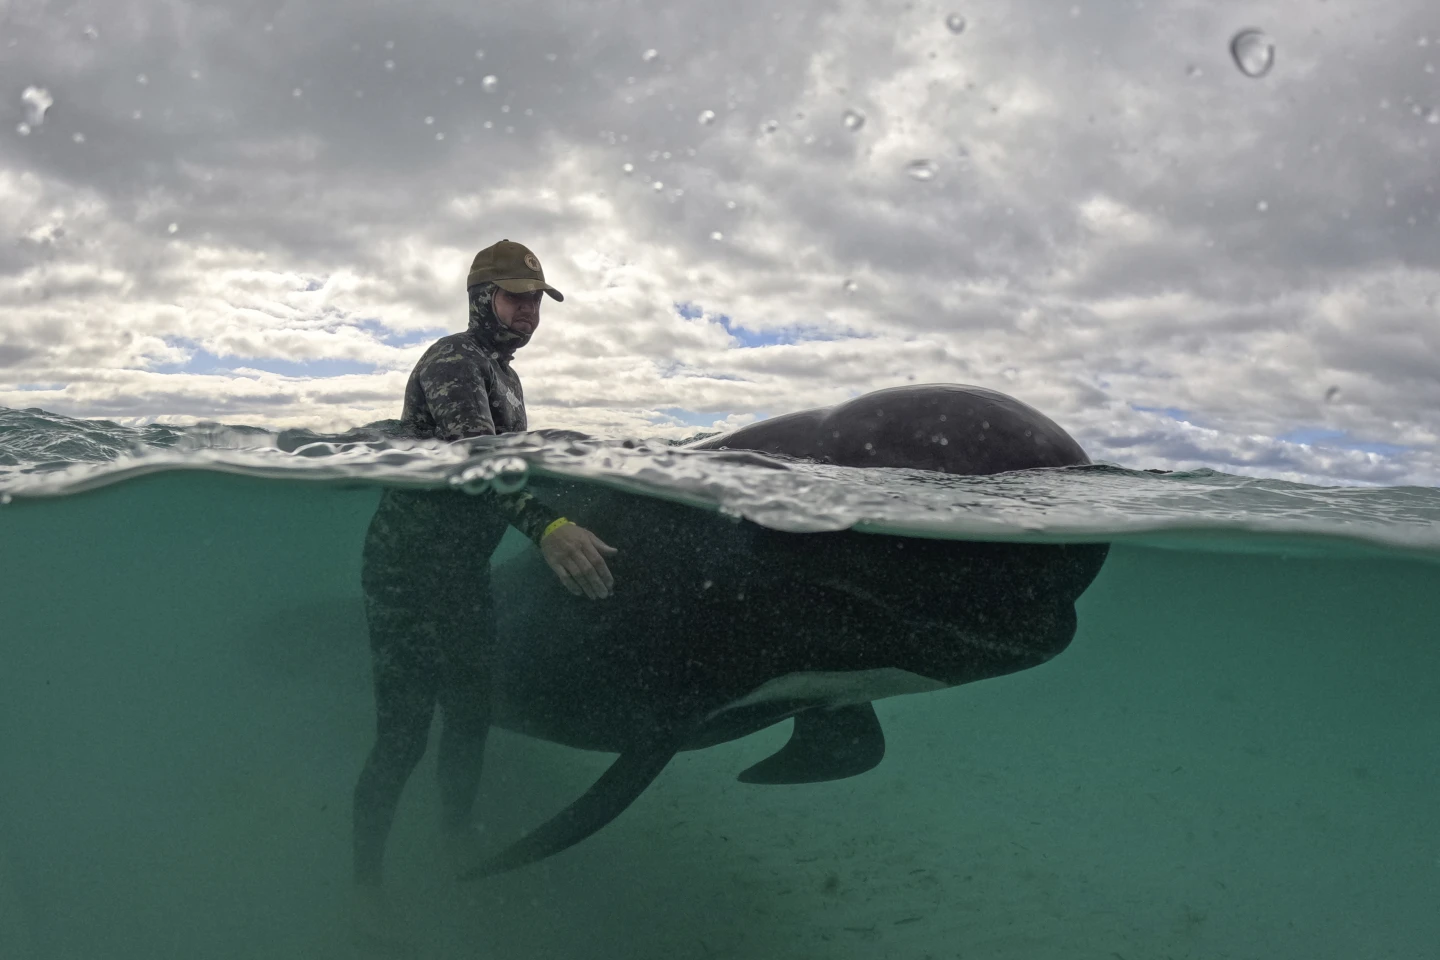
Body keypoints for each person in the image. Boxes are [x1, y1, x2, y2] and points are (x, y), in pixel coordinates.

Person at [351, 239, 616, 939]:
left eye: (536, 299)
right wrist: (548, 524)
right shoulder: (453, 361)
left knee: (469, 718)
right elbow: (477, 462)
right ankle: (366, 884)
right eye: (514, 297)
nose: (528, 312)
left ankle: (454, 840)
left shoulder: (507, 378)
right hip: (406, 579)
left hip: (462, 579)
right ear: (480, 298)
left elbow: (506, 465)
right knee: (402, 739)